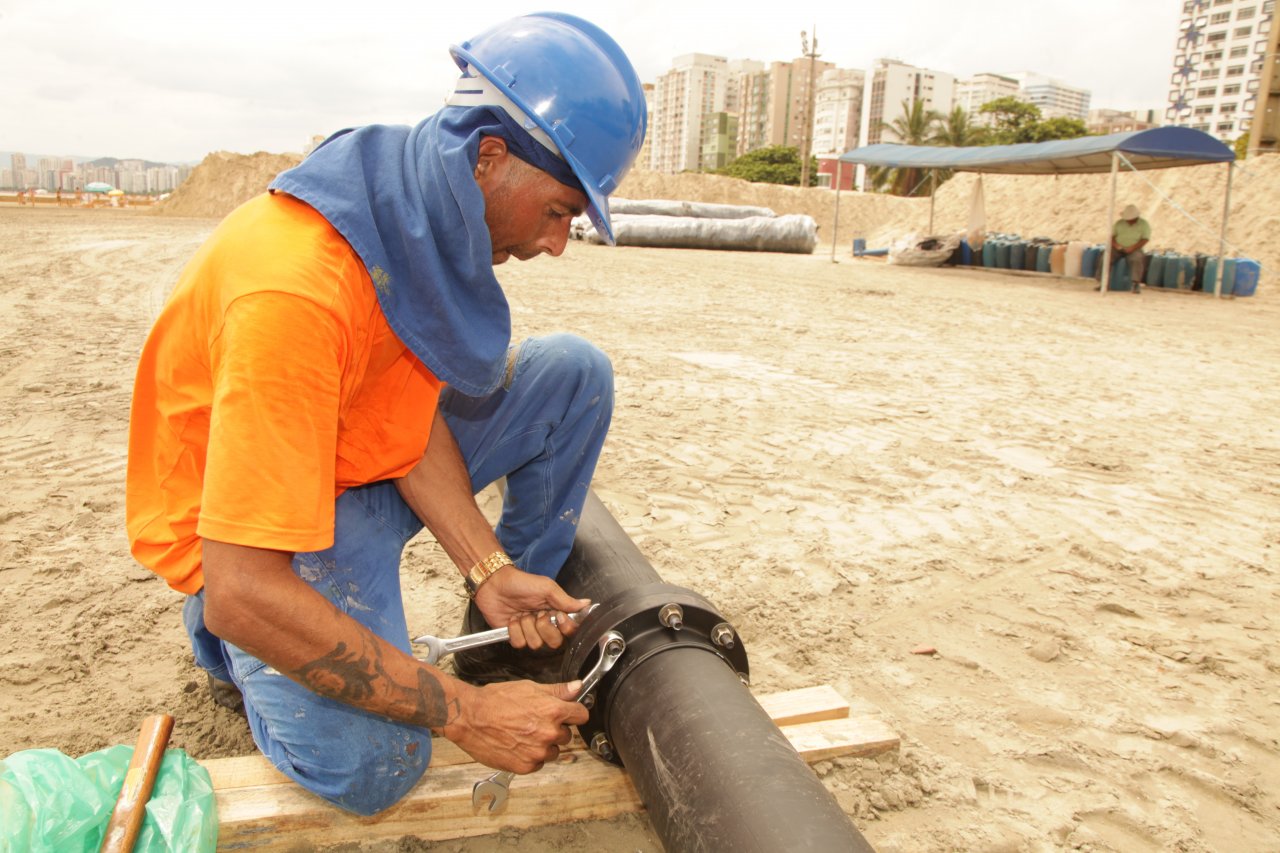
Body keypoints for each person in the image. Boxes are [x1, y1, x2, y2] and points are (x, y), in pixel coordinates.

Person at [125, 13, 646, 816]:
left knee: (572, 373)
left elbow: (398, 419)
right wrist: (461, 714)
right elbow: (243, 586)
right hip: (253, 540)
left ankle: (497, 646)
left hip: (340, 466)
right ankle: (231, 654)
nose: (558, 244)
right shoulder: (294, 297)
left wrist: (490, 569)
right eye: (559, 212)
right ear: (490, 158)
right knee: (375, 764)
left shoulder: (404, 214)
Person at [1097, 203, 1151, 293]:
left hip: (1135, 248)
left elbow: (1145, 239)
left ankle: (1135, 284)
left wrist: (1132, 248)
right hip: (1118, 247)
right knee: (1106, 257)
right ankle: (1102, 282)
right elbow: (1111, 237)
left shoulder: (1144, 224)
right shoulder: (1119, 223)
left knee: (1137, 259)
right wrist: (1116, 245)